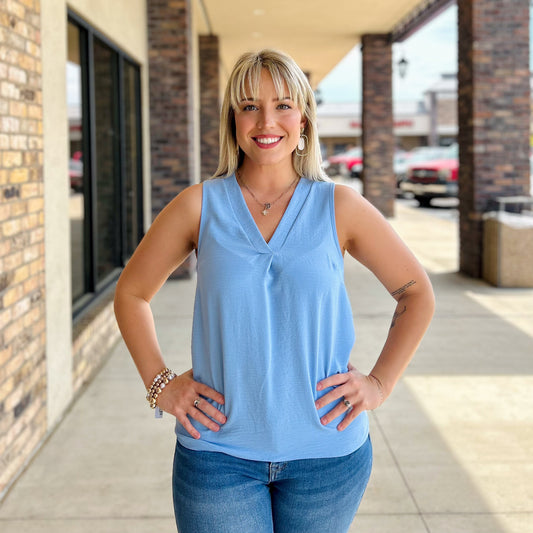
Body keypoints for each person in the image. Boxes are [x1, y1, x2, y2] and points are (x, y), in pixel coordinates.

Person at [114, 49, 435, 533]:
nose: (267, 120)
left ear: (303, 119)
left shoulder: (339, 206)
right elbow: (131, 294)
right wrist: (160, 384)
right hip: (218, 456)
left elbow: (417, 294)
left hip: (328, 457)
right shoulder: (198, 206)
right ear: (233, 120)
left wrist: (378, 383)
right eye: (249, 106)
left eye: (283, 105)